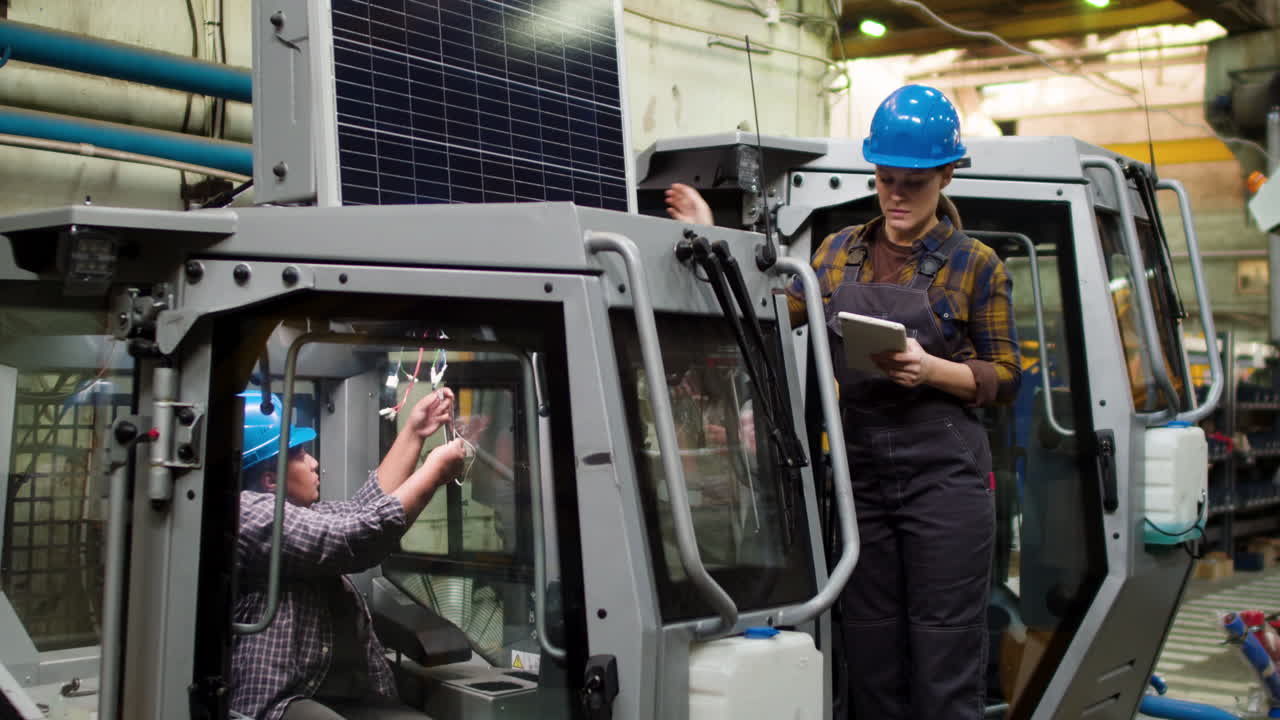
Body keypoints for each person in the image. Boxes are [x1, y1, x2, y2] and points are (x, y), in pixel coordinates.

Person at [667, 85, 1021, 719]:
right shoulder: (837, 253)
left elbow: (1007, 375)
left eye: (913, 183)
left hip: (945, 480)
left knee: (943, 657)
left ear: (945, 175)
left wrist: (932, 369)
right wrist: (710, 235)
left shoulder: (977, 265)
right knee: (871, 655)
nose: (896, 196)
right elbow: (767, 310)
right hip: (861, 478)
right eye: (885, 180)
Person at [232, 388, 465, 720]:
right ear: (270, 479)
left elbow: (362, 511)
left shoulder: (300, 515)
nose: (314, 463)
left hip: (334, 690)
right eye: (299, 454)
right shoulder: (246, 514)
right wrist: (434, 472)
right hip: (278, 700)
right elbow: (352, 539)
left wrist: (414, 432)